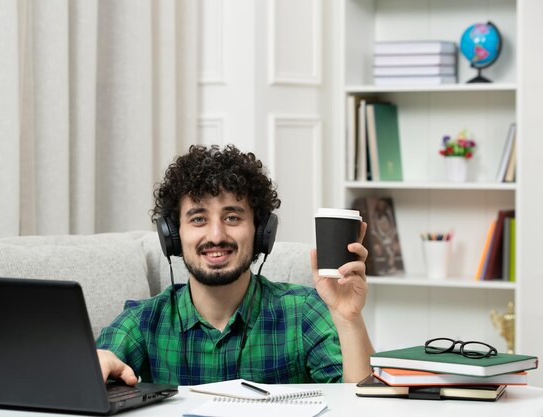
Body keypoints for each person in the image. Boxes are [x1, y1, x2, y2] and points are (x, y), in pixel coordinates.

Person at [96, 144, 374, 386]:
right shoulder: (144, 320)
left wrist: (349, 319)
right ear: (172, 235)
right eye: (198, 219)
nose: (216, 236)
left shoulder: (304, 312)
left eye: (232, 218)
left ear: (261, 231)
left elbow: (361, 405)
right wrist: (98, 362)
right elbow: (101, 363)